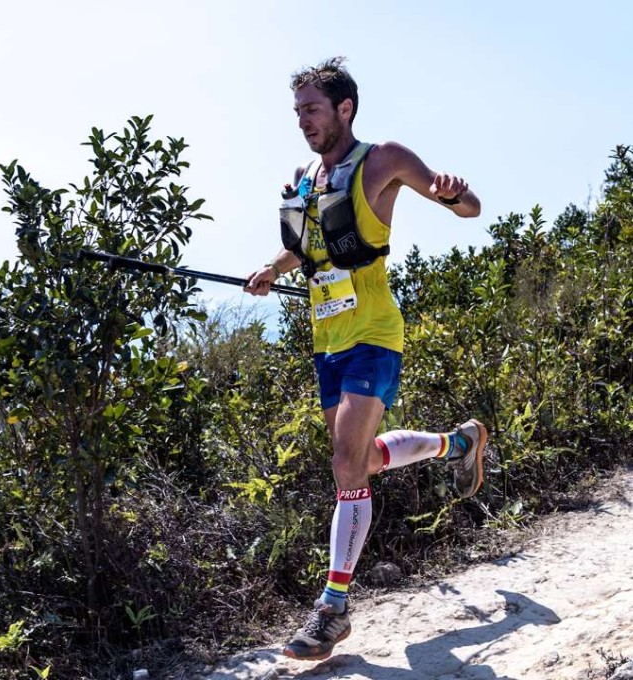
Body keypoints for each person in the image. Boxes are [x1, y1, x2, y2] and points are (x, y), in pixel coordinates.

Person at [244, 57, 489, 661]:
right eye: (298, 111)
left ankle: (332, 610)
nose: (303, 121)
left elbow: (469, 208)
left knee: (344, 463)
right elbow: (309, 249)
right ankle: (459, 442)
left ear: (344, 108)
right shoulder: (305, 177)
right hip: (326, 338)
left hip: (375, 332)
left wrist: (454, 194)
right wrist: (271, 270)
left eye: (312, 109)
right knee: (362, 461)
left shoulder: (383, 160)